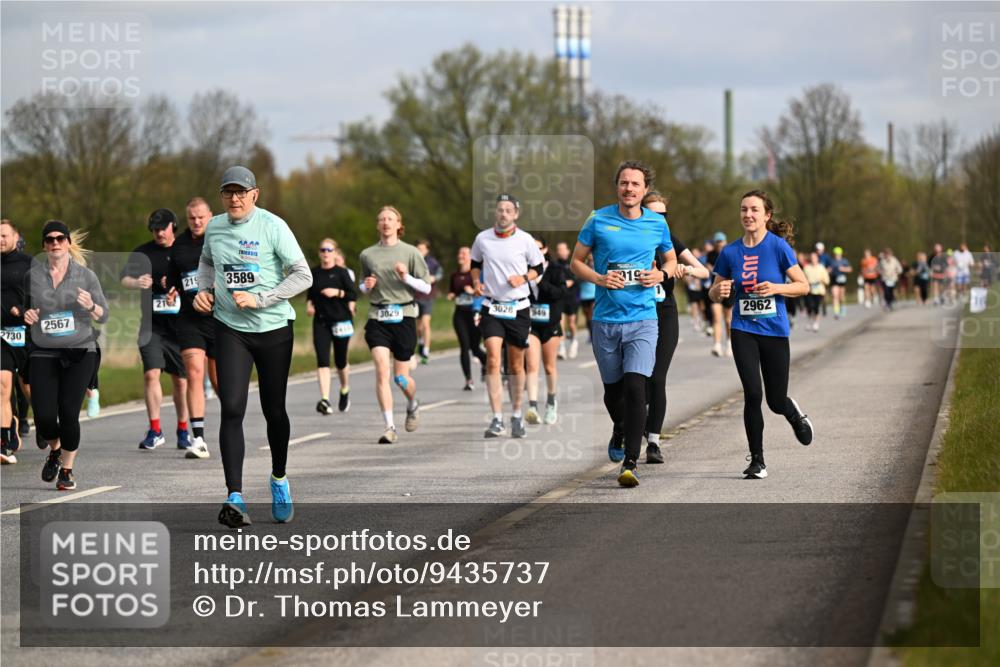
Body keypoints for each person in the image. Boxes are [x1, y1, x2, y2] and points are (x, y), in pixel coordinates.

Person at [194, 165, 312, 528]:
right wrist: (203, 290)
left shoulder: (273, 226)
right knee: (232, 407)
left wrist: (262, 299)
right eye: (228, 192)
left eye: (241, 192)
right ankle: (235, 497)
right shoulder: (214, 226)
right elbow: (206, 263)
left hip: (273, 329)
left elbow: (303, 275)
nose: (235, 199)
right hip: (230, 329)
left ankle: (279, 479)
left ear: (255, 194)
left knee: (273, 410)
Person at [571, 161, 676, 487]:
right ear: (617, 186)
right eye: (624, 183)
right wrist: (600, 279)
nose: (629, 189)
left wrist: (660, 273)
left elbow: (671, 259)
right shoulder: (598, 219)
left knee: (635, 387)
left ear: (644, 190)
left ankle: (630, 462)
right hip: (605, 321)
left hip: (643, 319)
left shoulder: (657, 224)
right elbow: (575, 262)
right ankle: (620, 426)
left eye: (635, 184)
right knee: (613, 392)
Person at [707, 190, 813, 479]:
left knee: (775, 401)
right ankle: (757, 461)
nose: (748, 215)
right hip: (743, 330)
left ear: (766, 215)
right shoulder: (729, 252)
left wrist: (777, 288)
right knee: (753, 393)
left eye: (754, 210)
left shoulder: (778, 247)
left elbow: (803, 286)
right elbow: (714, 292)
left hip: (775, 331)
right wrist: (719, 291)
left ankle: (792, 413)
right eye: (743, 209)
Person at [24, 221, 109, 490]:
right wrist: (29, 315)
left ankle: (67, 470)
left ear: (69, 243)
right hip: (43, 352)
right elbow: (29, 311)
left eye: (60, 238)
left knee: (69, 413)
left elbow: (103, 315)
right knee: (45, 418)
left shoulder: (86, 276)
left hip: (79, 352)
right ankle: (55, 448)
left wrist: (91, 305)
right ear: (44, 246)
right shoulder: (33, 276)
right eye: (49, 239)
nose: (55, 243)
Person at [641, 192, 709, 464]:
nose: (660, 219)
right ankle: (632, 423)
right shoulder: (630, 239)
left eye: (664, 215)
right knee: (635, 380)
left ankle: (654, 442)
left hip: (665, 313)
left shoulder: (670, 242)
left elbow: (704, 271)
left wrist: (684, 270)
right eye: (653, 214)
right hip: (635, 313)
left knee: (657, 378)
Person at [472, 194, 545, 438]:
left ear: (516, 214)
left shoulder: (525, 240)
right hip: (492, 307)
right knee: (492, 359)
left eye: (508, 210)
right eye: (500, 209)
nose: (503, 213)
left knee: (515, 364)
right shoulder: (482, 238)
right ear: (495, 212)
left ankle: (516, 415)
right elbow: (475, 262)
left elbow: (539, 268)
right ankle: (495, 418)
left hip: (518, 308)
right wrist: (475, 281)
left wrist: (522, 278)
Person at [359, 206, 430, 444]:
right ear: (377, 225)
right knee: (381, 369)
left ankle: (412, 403)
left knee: (400, 378)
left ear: (399, 224)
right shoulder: (367, 255)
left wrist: (406, 278)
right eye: (381, 219)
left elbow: (427, 287)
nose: (386, 222)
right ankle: (389, 426)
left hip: (404, 316)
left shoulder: (411, 253)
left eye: (390, 219)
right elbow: (362, 285)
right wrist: (365, 286)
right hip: (378, 316)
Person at [121, 209, 190, 451]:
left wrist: (175, 287)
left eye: (163, 228)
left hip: (181, 328)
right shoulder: (143, 252)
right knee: (151, 374)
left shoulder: (184, 249)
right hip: (151, 327)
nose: (159, 233)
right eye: (155, 229)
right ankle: (155, 429)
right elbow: (124, 279)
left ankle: (183, 430)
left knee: (181, 383)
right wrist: (136, 282)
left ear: (174, 227)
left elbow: (196, 279)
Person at [166, 197, 219, 459]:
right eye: (192, 218)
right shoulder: (180, 245)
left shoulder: (221, 238)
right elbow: (174, 277)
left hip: (221, 319)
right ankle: (197, 438)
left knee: (222, 382)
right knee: (194, 372)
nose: (197, 222)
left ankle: (233, 423)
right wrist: (172, 290)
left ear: (210, 215)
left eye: (201, 217)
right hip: (190, 319)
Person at [524, 236, 572, 425]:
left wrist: (540, 282)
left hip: (551, 323)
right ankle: (533, 406)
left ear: (545, 250)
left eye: (538, 249)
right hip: (531, 324)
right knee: (532, 365)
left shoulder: (556, 270)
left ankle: (551, 402)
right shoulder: (523, 271)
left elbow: (561, 293)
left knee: (549, 366)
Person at [307, 237, 357, 414]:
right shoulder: (314, 273)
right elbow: (311, 294)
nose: (326, 253)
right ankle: (325, 400)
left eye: (329, 250)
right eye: (322, 250)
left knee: (340, 361)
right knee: (322, 361)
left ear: (335, 253)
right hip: (321, 322)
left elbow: (353, 294)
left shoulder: (342, 273)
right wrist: (309, 304)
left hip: (341, 321)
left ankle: (344, 389)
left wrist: (337, 292)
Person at [1, 220, 33, 464]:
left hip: (25, 332)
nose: (0, 240)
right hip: (1, 334)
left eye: (4, 236)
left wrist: (23, 309)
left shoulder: (28, 263)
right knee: (3, 384)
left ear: (15, 237)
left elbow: (42, 295)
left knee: (30, 388)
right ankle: (4, 442)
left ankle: (42, 422)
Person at [447, 246, 487, 390]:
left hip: (475, 313)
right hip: (460, 314)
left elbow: (484, 292)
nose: (461, 255)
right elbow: (452, 291)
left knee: (475, 348)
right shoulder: (454, 275)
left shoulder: (476, 275)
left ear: (470, 257)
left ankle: (486, 363)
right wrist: (451, 295)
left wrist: (472, 291)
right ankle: (468, 380)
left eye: (464, 253)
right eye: (460, 252)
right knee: (464, 346)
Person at [414, 240, 443, 364]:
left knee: (425, 324)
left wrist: (434, 278)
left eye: (422, 249)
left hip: (428, 296)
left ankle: (426, 350)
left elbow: (440, 273)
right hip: (414, 297)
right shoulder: (412, 261)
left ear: (427, 250)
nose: (420, 251)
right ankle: (421, 342)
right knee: (418, 326)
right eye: (418, 248)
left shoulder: (432, 262)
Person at [708, 231, 733, 357]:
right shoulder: (711, 254)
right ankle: (717, 345)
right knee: (717, 318)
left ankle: (729, 343)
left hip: (730, 289)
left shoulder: (730, 252)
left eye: (721, 241)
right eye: (717, 242)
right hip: (716, 288)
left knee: (728, 320)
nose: (719, 244)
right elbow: (709, 268)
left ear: (725, 241)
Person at [554, 241, 580, 359]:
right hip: (560, 298)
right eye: (559, 249)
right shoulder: (554, 265)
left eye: (563, 249)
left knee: (571, 322)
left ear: (568, 251)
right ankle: (562, 348)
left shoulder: (573, 264)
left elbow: (573, 280)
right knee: (560, 323)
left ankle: (574, 341)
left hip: (572, 298)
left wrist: (562, 284)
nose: (561, 252)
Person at [802, 252, 830, 332]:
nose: (813, 259)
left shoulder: (821, 267)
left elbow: (827, 280)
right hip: (810, 291)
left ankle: (816, 323)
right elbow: (803, 279)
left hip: (819, 291)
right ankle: (809, 321)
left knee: (816, 307)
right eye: (812, 258)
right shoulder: (806, 268)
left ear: (817, 259)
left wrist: (822, 281)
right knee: (810, 307)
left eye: (815, 258)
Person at [827, 246, 852, 319]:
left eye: (838, 254)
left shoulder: (844, 261)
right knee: (835, 295)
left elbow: (850, 269)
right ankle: (836, 312)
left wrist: (843, 269)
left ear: (841, 254)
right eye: (835, 254)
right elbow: (829, 269)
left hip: (842, 279)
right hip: (834, 279)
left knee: (841, 296)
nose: (836, 255)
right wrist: (828, 270)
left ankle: (843, 308)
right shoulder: (832, 261)